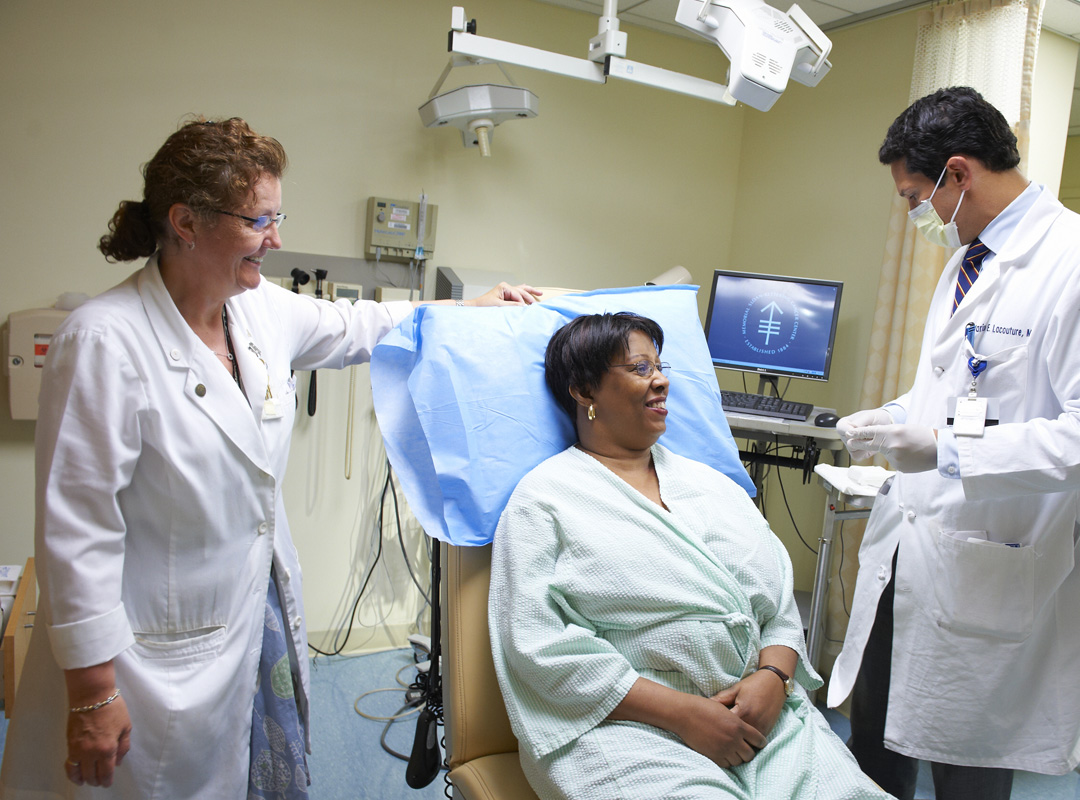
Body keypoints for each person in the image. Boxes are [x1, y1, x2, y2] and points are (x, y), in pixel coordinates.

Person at [0, 116, 537, 799]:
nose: (277, 238)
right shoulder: (104, 342)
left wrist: (473, 310)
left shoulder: (256, 312)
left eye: (277, 217)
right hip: (144, 651)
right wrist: (92, 694)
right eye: (260, 221)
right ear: (186, 222)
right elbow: (77, 534)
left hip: (246, 614)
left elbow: (362, 325)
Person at [828, 87, 1080, 800]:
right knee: (873, 751)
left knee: (967, 767)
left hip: (992, 569)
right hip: (907, 554)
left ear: (959, 173)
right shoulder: (964, 261)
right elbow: (953, 396)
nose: (913, 213)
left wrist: (948, 452)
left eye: (915, 194)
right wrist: (891, 419)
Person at [489, 312, 892, 800]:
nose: (660, 380)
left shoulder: (714, 486)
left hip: (758, 713)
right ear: (584, 391)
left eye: (661, 367)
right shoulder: (544, 500)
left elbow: (779, 605)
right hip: (625, 727)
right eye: (639, 368)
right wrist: (683, 713)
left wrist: (773, 677)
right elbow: (536, 643)